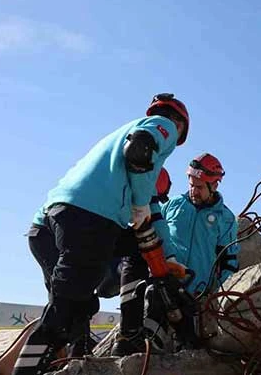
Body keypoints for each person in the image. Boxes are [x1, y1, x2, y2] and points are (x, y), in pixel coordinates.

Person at [12, 93, 189, 375]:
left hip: (59, 220)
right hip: (89, 219)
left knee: (82, 305)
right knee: (66, 312)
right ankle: (127, 338)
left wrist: (165, 258)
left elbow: (153, 222)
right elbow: (141, 148)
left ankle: (98, 347)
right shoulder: (162, 126)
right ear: (180, 126)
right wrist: (142, 204)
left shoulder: (116, 157)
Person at [26, 168, 171, 357]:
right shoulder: (126, 186)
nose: (151, 206)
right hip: (51, 232)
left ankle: (122, 336)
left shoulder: (127, 188)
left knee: (136, 248)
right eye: (152, 199)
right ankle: (54, 354)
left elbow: (156, 224)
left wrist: (169, 259)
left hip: (74, 228)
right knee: (68, 302)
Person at [139, 153, 240, 351]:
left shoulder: (225, 218)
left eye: (200, 187)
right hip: (166, 281)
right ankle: (147, 351)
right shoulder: (174, 205)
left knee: (188, 347)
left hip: (196, 295)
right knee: (153, 303)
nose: (194, 190)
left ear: (215, 185)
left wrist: (216, 299)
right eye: (191, 184)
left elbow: (228, 261)